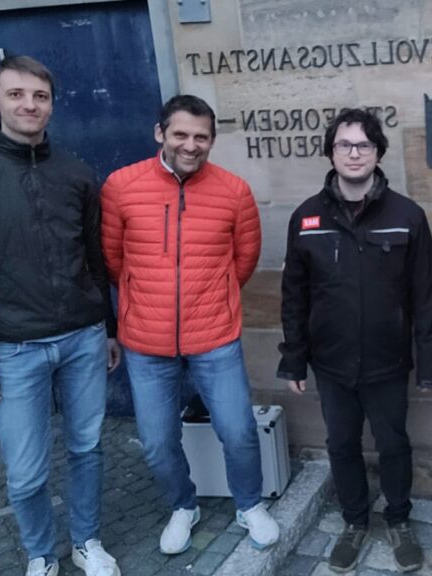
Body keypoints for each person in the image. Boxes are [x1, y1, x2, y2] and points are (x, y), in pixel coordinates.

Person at [0, 55, 120, 576]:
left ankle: (87, 541)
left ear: (52, 104)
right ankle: (41, 554)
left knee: (87, 448)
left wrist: (108, 329)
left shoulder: (76, 174)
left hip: (83, 337)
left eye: (40, 96)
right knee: (26, 470)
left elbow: (95, 260)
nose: (29, 105)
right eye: (16, 94)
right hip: (14, 348)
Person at [100, 94, 278, 555]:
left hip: (214, 336)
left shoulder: (234, 191)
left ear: (212, 141)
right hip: (146, 341)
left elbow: (244, 260)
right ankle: (183, 506)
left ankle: (249, 504)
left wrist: (212, 295)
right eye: (180, 134)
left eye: (201, 137)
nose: (190, 145)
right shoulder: (121, 186)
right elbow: (113, 261)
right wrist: (146, 298)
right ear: (160, 133)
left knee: (238, 430)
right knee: (157, 441)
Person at [277, 108, 432, 573]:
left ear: (378, 152)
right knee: (342, 443)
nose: (354, 153)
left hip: (387, 363)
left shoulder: (407, 216)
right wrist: (293, 359)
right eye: (344, 145)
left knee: (393, 443)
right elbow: (294, 296)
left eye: (364, 145)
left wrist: (430, 364)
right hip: (331, 364)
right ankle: (354, 520)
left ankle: (398, 518)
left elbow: (427, 296)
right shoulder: (306, 218)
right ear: (331, 153)